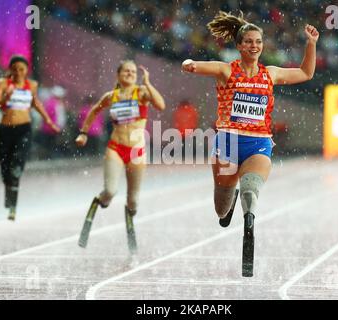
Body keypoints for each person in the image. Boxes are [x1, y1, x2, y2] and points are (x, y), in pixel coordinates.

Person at [181, 11, 319, 276]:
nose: (254, 46)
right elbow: (198, 65)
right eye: (248, 42)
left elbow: (306, 72)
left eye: (258, 42)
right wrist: (189, 63)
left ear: (262, 45)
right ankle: (230, 203)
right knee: (221, 211)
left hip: (259, 144)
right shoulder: (225, 70)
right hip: (228, 144)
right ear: (239, 45)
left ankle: (249, 220)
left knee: (251, 189)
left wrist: (311, 43)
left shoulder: (271, 74)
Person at [75, 60, 165, 252]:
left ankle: (129, 213)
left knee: (133, 201)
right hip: (115, 148)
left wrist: (148, 83)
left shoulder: (141, 93)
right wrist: (83, 132)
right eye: (126, 71)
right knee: (110, 191)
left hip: (136, 152)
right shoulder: (112, 96)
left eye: (133, 71)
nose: (130, 74)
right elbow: (94, 110)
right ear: (118, 75)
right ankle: (98, 202)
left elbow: (161, 105)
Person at [0, 55, 60, 220]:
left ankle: (13, 207)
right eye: (15, 69)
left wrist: (49, 121)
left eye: (22, 69)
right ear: (10, 70)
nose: (19, 72)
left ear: (27, 70)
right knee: (6, 170)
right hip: (6, 130)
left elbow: (36, 103)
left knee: (17, 167)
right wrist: (5, 98)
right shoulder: (3, 84)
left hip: (24, 130)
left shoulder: (32, 85)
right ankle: (8, 192)